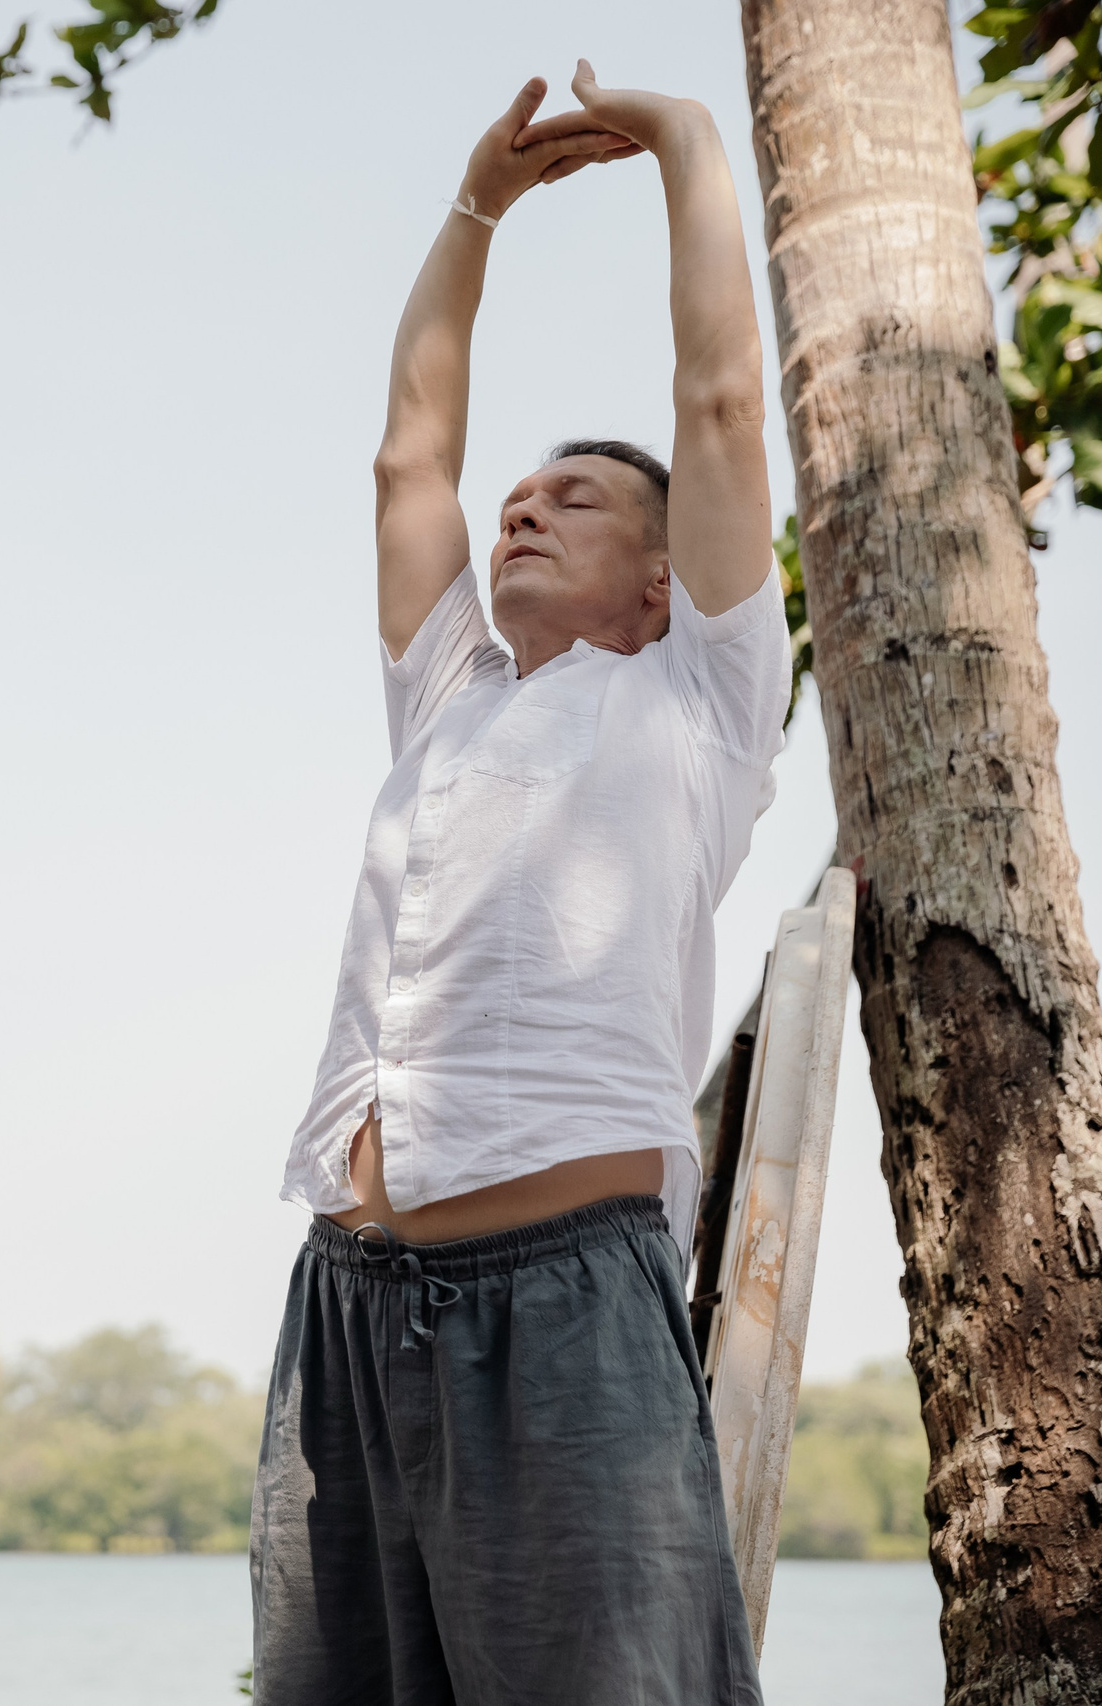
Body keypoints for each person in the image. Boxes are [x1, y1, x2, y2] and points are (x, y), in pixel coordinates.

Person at [253, 64, 785, 1705]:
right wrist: (478, 205)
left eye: (576, 499)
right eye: (519, 502)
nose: (520, 506)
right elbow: (409, 461)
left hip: (562, 1299)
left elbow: (717, 408)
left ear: (655, 580)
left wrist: (686, 142)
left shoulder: (699, 701)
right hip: (347, 1307)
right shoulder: (449, 701)